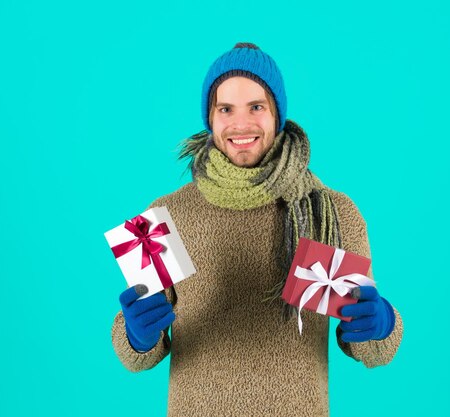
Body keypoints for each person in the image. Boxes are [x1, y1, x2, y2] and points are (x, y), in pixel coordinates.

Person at [111, 42, 404, 416]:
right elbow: (135, 357)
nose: (241, 124)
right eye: (226, 109)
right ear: (210, 117)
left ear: (277, 115)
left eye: (256, 107)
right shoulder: (163, 216)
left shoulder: (331, 212)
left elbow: (375, 350)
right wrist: (137, 336)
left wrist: (381, 323)